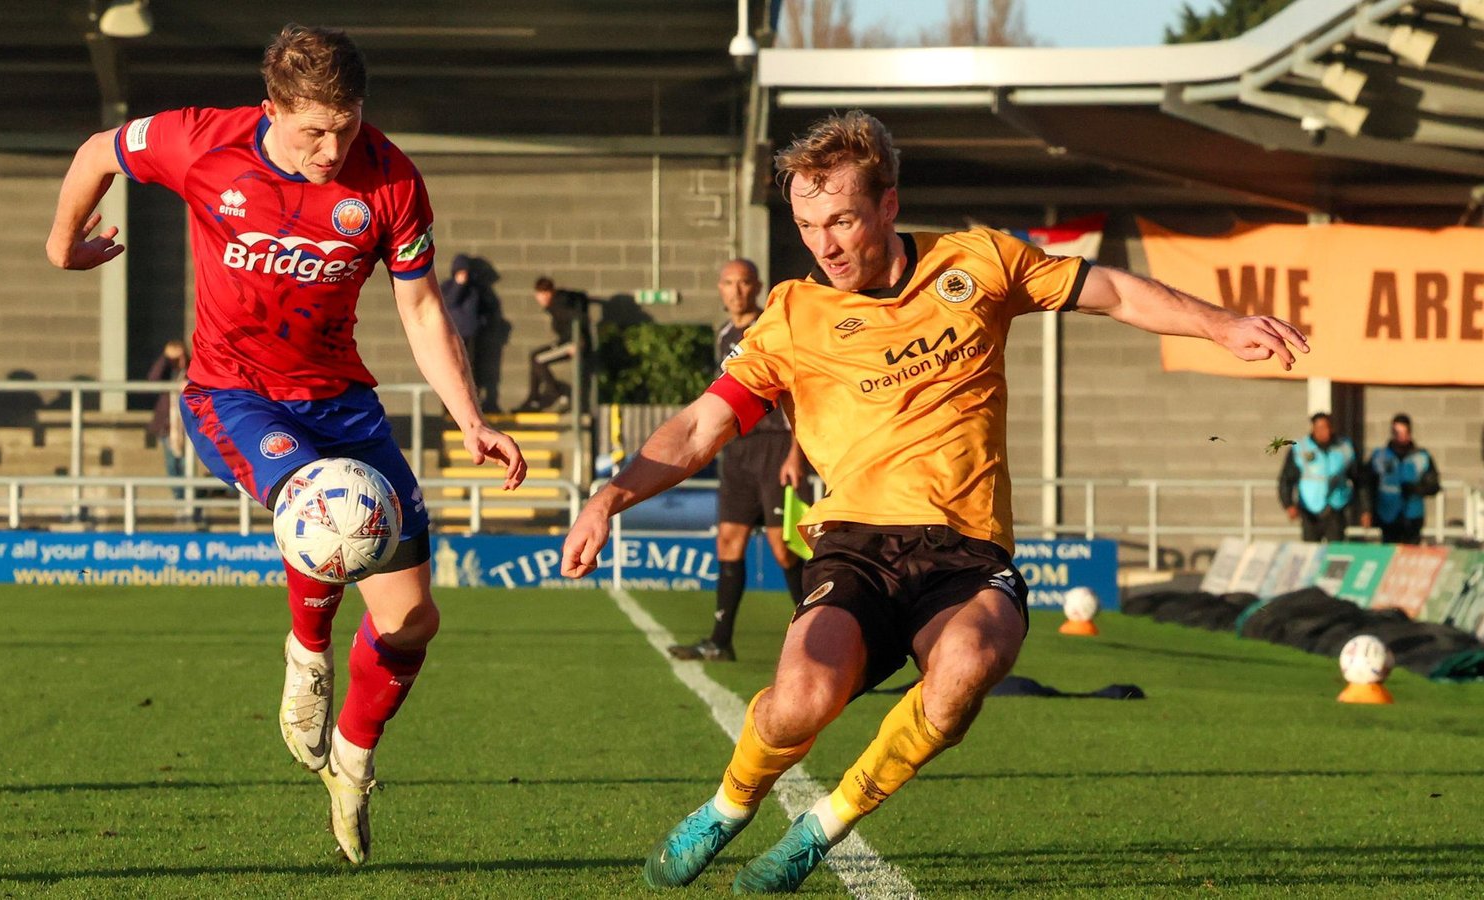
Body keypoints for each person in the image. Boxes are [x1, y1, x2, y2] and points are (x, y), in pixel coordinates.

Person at [559, 110, 1308, 893]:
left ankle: (823, 826)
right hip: (856, 545)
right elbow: (701, 425)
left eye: (843, 218)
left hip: (968, 554)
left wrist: (1220, 326)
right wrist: (610, 497)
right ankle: (729, 804)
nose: (826, 243)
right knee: (798, 703)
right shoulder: (791, 317)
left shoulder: (977, 263)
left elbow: (1112, 288)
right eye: (808, 224)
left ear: (888, 206)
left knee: (968, 666)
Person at [45, 24, 526, 865]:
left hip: (342, 402)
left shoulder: (390, 179)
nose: (331, 148)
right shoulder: (204, 143)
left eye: (345, 126)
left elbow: (419, 309)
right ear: (270, 110)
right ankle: (307, 653)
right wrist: (62, 246)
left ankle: (352, 760)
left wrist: (471, 418)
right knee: (321, 502)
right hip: (233, 394)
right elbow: (98, 150)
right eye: (312, 131)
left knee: (413, 620)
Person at [669, 258, 812, 662]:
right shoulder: (723, 335)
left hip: (776, 448)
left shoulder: (775, 327)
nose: (736, 291)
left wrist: (795, 455)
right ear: (719, 288)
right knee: (728, 541)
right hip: (739, 450)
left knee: (785, 546)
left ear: (758, 286)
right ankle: (720, 640)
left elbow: (800, 393)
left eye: (744, 283)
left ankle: (817, 639)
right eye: (729, 283)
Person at [1361, 413, 1440, 544]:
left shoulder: (1421, 457)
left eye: (1404, 432)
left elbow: (1434, 485)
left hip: (1412, 515)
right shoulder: (1379, 456)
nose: (1400, 437)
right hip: (1387, 514)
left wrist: (1416, 489)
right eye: (1397, 432)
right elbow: (1366, 484)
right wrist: (1366, 510)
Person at [1278, 413, 1358, 542]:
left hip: (1335, 507)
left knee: (1335, 552)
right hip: (1310, 509)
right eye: (1318, 428)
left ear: (1331, 428)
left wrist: (1364, 508)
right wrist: (1288, 504)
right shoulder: (1301, 448)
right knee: (1311, 551)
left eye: (1324, 428)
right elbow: (1286, 479)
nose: (1321, 432)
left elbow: (1359, 478)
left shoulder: (1345, 447)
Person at [514, 275, 589, 412]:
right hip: (564, 342)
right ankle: (534, 398)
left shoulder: (559, 304)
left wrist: (577, 342)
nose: (539, 299)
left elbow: (578, 318)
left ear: (547, 293)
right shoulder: (557, 303)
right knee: (535, 356)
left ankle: (557, 395)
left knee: (538, 360)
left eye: (541, 295)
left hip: (571, 344)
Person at [145, 339, 194, 516]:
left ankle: (190, 505)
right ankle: (180, 503)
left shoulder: (191, 369)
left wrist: (184, 359)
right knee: (172, 466)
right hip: (169, 427)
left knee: (187, 467)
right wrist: (166, 357)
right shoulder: (167, 371)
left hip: (188, 427)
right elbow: (153, 379)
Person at [440, 254, 490, 386]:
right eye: (460, 272)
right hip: (453, 333)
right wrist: (458, 285)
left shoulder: (474, 289)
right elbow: (450, 302)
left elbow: (483, 308)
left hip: (470, 333)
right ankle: (447, 406)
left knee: (470, 368)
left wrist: (480, 322)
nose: (464, 276)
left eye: (465, 272)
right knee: (452, 367)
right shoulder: (447, 286)